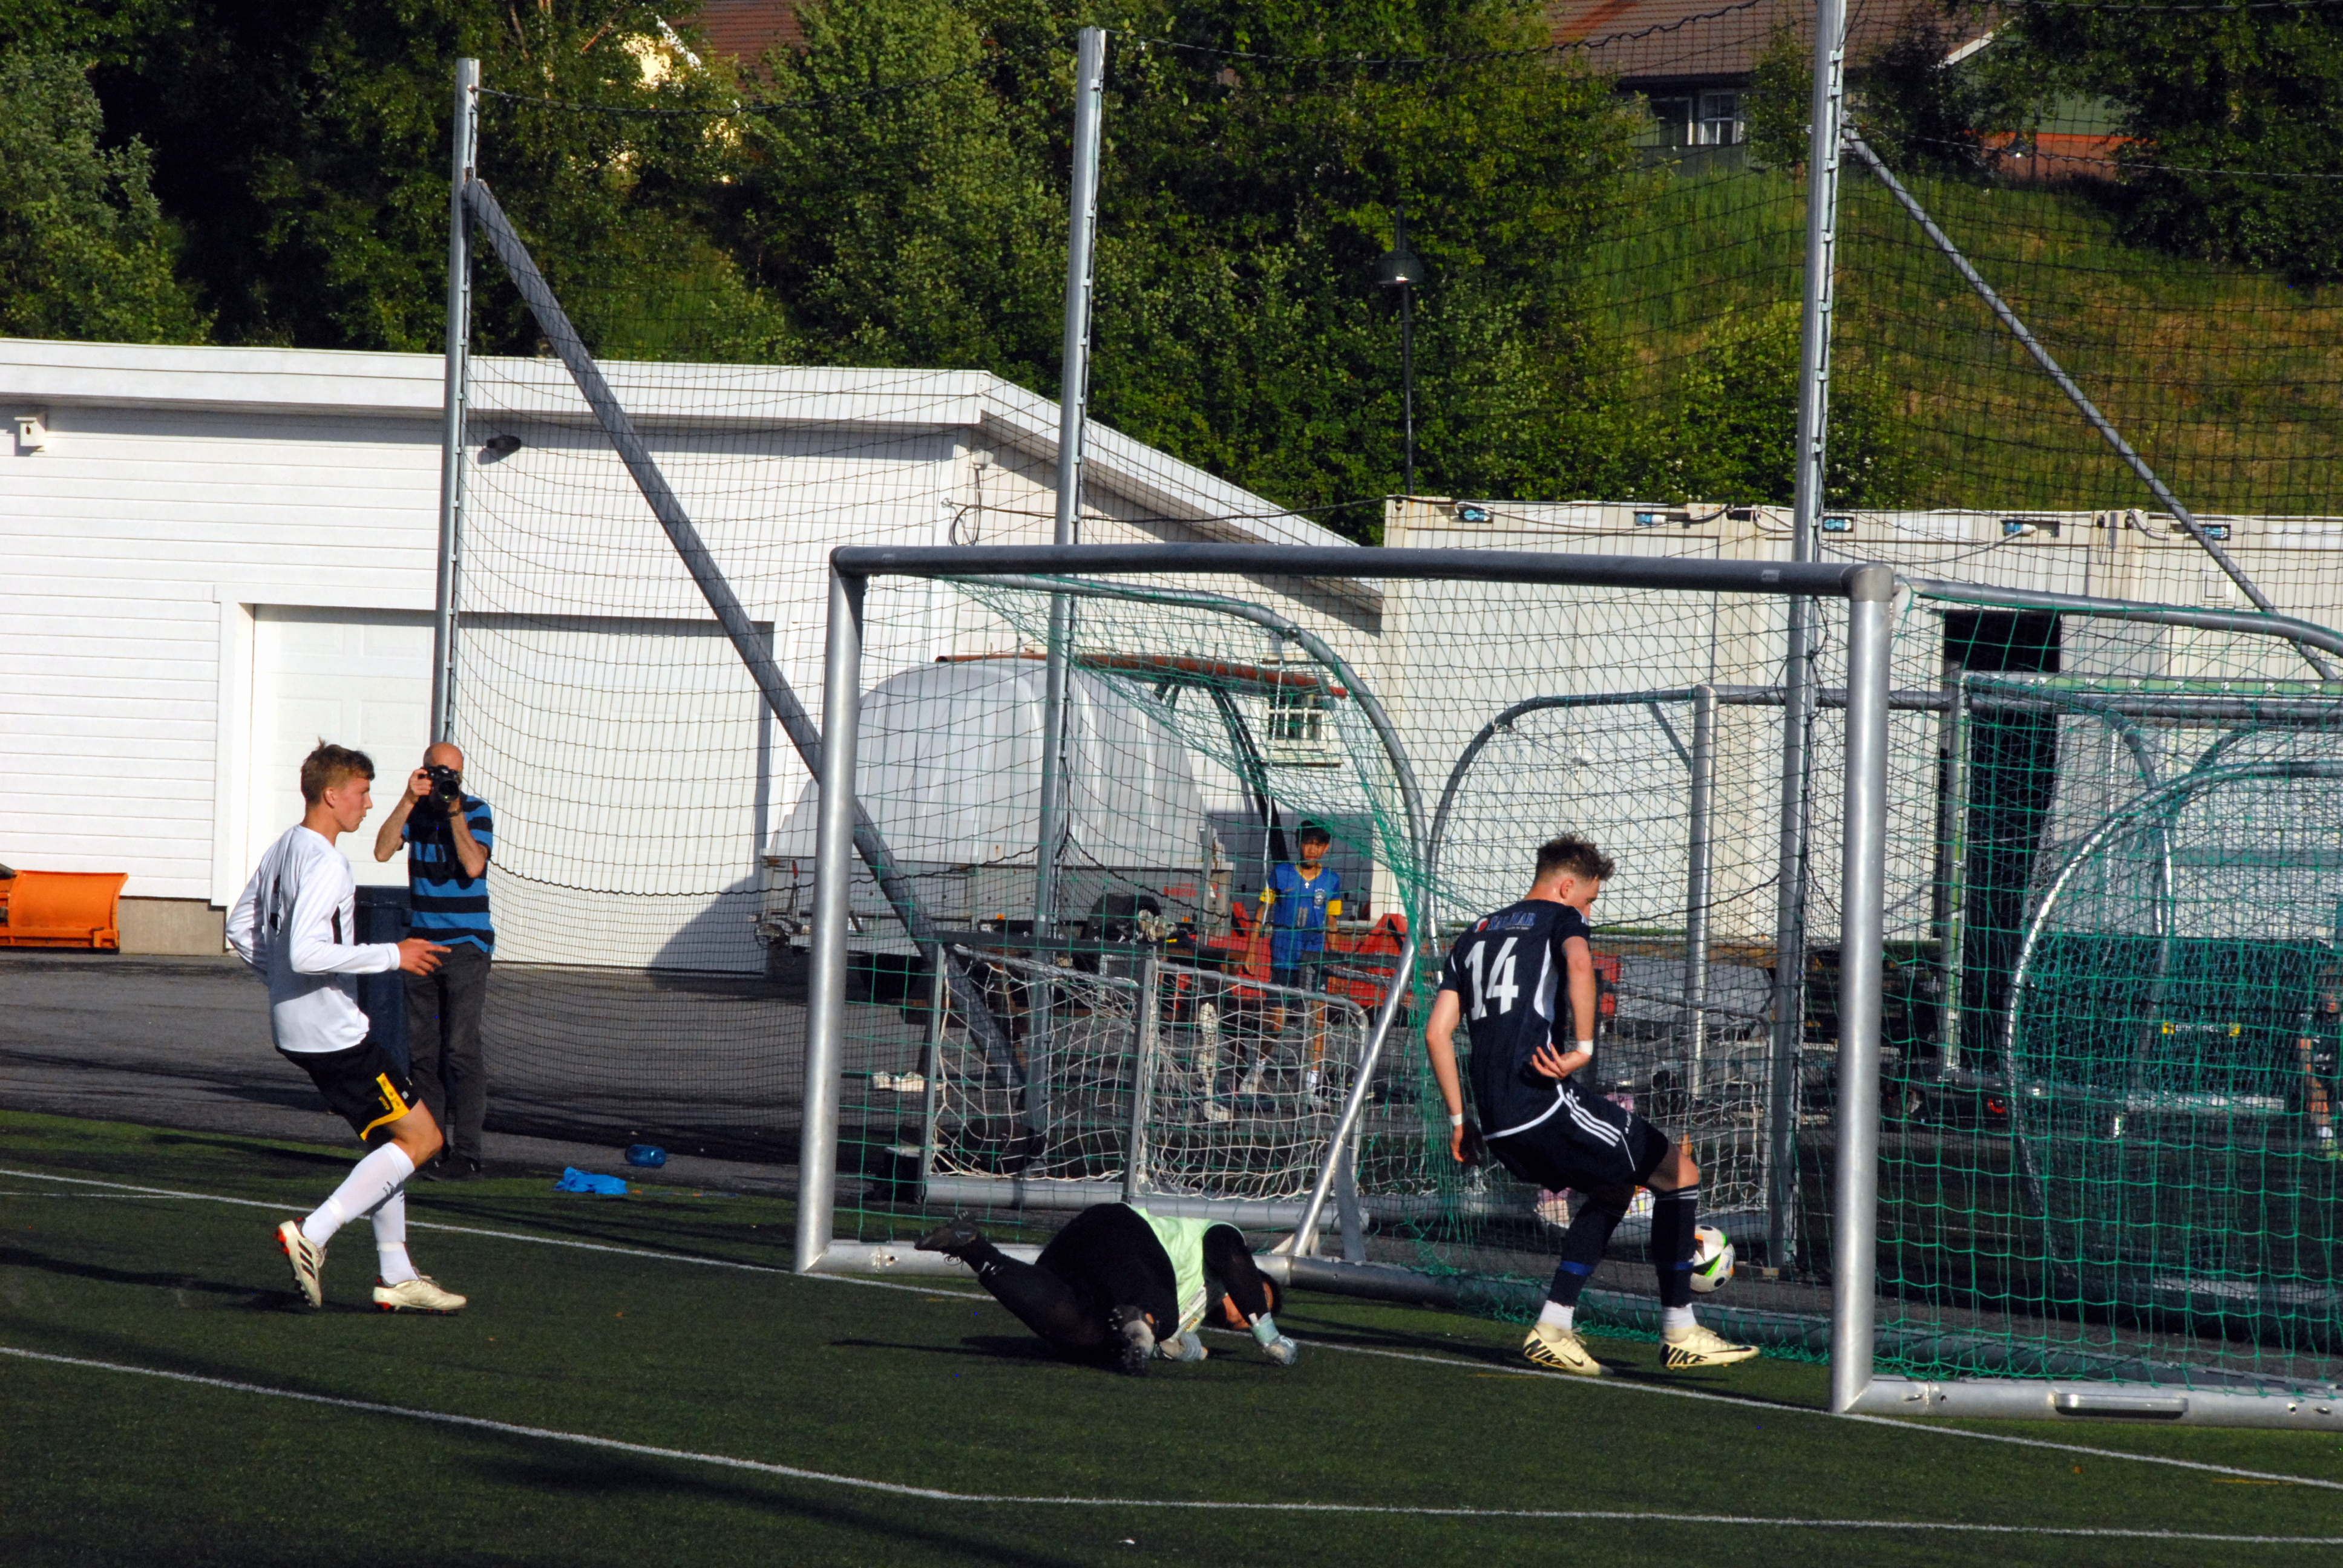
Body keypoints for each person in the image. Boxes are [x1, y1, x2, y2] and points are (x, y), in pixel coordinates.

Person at [1424, 834, 1755, 1376]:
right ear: (1566, 886)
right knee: (1680, 1174)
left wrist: (1461, 1122)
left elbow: (1437, 1033)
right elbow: (1580, 965)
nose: (1590, 911)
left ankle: (1555, 1326)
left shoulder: (1476, 933)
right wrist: (1583, 1048)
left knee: (1615, 1185)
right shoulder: (1561, 919)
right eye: (1590, 898)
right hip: (1543, 1102)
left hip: (1497, 1123)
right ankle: (1681, 1330)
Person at [228, 742, 468, 1313]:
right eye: (362, 793)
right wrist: (393, 955)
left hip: (299, 1028)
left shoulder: (285, 846)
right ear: (332, 795)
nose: (368, 803)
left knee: (389, 1140)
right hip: (333, 1033)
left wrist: (283, 985)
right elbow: (307, 953)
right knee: (424, 1139)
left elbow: (239, 928)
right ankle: (313, 1232)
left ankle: (397, 1274)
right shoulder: (326, 862)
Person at [916, 1204, 1300, 1375]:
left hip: (1071, 1269)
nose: (1241, 1314)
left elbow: (1175, 1342)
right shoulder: (1220, 1240)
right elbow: (1230, 1254)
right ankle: (1142, 1321)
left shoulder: (1190, 1317)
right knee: (1158, 1316)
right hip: (1114, 1229)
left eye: (1240, 1324)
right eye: (1256, 1296)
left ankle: (973, 1249)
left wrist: (1186, 1350)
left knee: (1087, 1337)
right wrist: (1267, 1333)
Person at [373, 740, 494, 1180]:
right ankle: (431, 1145)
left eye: (453, 775)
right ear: (423, 771)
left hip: (466, 945)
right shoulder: (416, 811)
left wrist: (454, 810)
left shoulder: (476, 810)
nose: (446, 781)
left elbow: (474, 866)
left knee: (461, 1049)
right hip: (422, 946)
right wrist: (409, 799)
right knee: (423, 1052)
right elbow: (382, 850)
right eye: (438, 772)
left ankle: (469, 1152)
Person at [1259, 824, 1342, 1100]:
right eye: (1308, 843)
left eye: (1318, 845)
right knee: (1276, 1022)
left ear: (1326, 848)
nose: (1312, 849)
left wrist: (1334, 958)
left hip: (1315, 959)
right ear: (1299, 844)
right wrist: (1251, 950)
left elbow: (1332, 920)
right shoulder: (1282, 873)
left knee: (1318, 1022)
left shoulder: (1331, 880)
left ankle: (1311, 1086)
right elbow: (1262, 910)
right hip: (1284, 957)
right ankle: (1254, 1073)